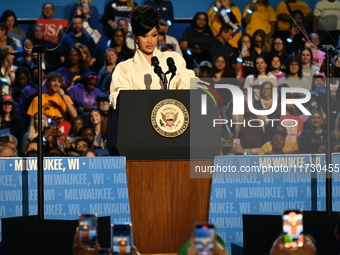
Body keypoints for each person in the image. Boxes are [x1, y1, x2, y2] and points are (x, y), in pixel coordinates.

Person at [109, 5, 196, 108]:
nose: (150, 41)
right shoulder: (124, 68)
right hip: (138, 120)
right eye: (144, 36)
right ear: (135, 37)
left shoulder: (173, 60)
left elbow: (187, 80)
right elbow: (118, 98)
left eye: (154, 35)